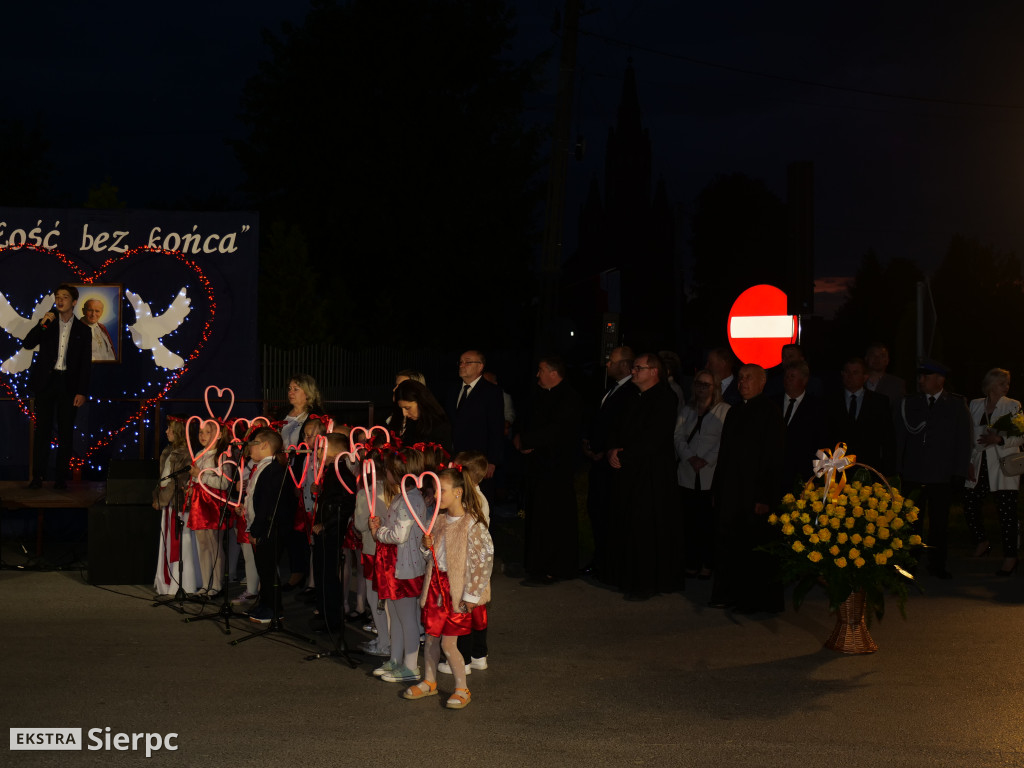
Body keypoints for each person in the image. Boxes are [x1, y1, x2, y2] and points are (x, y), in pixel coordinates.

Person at [402, 466, 493, 710]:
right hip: (435, 589)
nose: (436, 494)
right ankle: (430, 681)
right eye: (435, 490)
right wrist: (425, 546)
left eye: (442, 490)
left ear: (458, 492)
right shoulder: (439, 521)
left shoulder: (473, 524)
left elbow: (483, 561)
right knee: (431, 639)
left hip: (456, 592)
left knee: (448, 644)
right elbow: (432, 557)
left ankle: (462, 687)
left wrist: (471, 595)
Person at [607, 352, 683, 600]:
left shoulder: (664, 398)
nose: (633, 372)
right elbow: (621, 429)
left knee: (647, 526)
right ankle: (629, 577)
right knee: (630, 523)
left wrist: (625, 453)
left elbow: (654, 436)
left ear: (654, 372)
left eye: (638, 368)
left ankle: (648, 582)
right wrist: (613, 450)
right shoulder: (633, 397)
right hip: (632, 470)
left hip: (652, 474)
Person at [711, 364, 786, 613]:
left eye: (748, 378)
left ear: (762, 382)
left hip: (754, 495)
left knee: (754, 548)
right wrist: (718, 488)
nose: (742, 383)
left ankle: (755, 600)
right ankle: (728, 594)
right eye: (740, 378)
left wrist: (764, 496)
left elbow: (772, 458)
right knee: (729, 544)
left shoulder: (770, 412)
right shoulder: (733, 412)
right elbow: (724, 454)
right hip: (731, 493)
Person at [896, 359, 972, 579]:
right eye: (920, 377)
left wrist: (958, 472)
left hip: (942, 474)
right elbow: (901, 438)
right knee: (912, 523)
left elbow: (963, 441)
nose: (920, 381)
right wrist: (898, 469)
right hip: (913, 472)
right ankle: (910, 565)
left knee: (940, 524)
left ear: (940, 380)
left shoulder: (956, 404)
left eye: (926, 377)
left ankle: (937, 564)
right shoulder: (909, 403)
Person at [515, 356, 582, 584]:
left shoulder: (568, 398)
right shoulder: (542, 395)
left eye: (541, 370)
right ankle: (537, 563)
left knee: (555, 518)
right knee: (538, 517)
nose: (537, 375)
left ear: (554, 373)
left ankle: (556, 566)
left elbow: (557, 431)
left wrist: (526, 440)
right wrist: (522, 440)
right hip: (539, 468)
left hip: (556, 469)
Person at [24, 283, 92, 489]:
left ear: (73, 302)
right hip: (47, 382)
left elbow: (85, 364)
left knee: (65, 432)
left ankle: (62, 477)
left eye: (64, 297)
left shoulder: (83, 329)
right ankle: (38, 476)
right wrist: (42, 324)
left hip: (68, 385)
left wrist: (82, 391)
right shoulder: (48, 323)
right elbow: (28, 343)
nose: (59, 300)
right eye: (57, 296)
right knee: (42, 430)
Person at [368, 448, 428, 683]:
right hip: (398, 566)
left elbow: (399, 535)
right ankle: (396, 659)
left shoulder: (408, 499)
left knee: (407, 618)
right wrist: (383, 523)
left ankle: (411, 666)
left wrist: (378, 531)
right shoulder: (406, 497)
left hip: (404, 567)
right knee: (397, 615)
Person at [582, 345, 635, 581]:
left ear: (624, 365)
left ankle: (611, 565)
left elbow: (620, 428)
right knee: (597, 511)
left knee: (609, 515)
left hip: (611, 464)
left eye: (611, 361)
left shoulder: (631, 392)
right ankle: (601, 560)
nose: (607, 365)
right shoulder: (611, 389)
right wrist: (589, 444)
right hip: (598, 461)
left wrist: (604, 450)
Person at [963, 368, 1022, 576]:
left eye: (1007, 383)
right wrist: (969, 461)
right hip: (980, 464)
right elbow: (970, 437)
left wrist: (999, 439)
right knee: (970, 503)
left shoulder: (1013, 405)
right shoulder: (975, 404)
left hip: (1003, 464)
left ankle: (1010, 557)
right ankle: (982, 541)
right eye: (1001, 383)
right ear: (990, 385)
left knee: (1006, 512)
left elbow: (1020, 436)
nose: (1006, 387)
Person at [674, 369, 730, 579]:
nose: (701, 388)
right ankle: (691, 560)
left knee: (707, 522)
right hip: (688, 472)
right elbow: (678, 436)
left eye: (706, 384)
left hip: (709, 473)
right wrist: (690, 457)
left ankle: (708, 562)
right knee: (689, 520)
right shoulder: (687, 410)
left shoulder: (724, 411)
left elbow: (724, 440)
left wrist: (705, 459)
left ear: (714, 387)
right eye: (698, 383)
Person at [244, 428, 294, 624]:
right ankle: (265, 604)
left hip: (270, 527)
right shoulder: (263, 468)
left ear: (264, 445)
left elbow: (267, 504)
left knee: (268, 569)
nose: (250, 447)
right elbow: (256, 498)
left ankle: (273, 608)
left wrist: (257, 528)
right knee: (263, 568)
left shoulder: (273, 470)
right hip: (263, 525)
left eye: (254, 442)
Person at [278, 374, 323, 591]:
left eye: (296, 388)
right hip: (282, 473)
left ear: (308, 393)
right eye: (289, 388)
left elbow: (309, 451)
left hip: (302, 475)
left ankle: (305, 573)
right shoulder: (282, 415)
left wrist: (301, 479)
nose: (291, 392)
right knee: (287, 523)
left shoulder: (314, 417)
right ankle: (297, 569)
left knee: (301, 524)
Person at [309, 432, 357, 632]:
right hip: (323, 530)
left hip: (331, 531)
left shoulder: (341, 473)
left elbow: (344, 504)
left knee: (329, 574)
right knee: (321, 571)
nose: (317, 451)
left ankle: (334, 619)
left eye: (322, 448)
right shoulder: (330, 472)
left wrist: (326, 524)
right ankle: (324, 612)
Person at [185, 420, 233, 597]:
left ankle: (217, 585)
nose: (203, 436)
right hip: (199, 504)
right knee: (203, 544)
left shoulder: (221, 456)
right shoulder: (198, 454)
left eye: (207, 432)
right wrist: (192, 486)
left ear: (219, 435)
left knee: (214, 544)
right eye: (200, 432)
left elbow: (223, 483)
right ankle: (206, 583)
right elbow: (195, 478)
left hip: (213, 503)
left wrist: (200, 476)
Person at [827, 356, 895, 475]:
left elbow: (887, 439)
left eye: (855, 373)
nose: (850, 376)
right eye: (847, 372)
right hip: (837, 469)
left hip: (870, 468)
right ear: (842, 374)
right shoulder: (831, 401)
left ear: (865, 377)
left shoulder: (879, 402)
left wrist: (888, 472)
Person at [446, 349, 505, 487]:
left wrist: (492, 461)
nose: (462, 365)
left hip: (477, 459)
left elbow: (496, 427)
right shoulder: (453, 390)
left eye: (467, 362)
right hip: (454, 457)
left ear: (480, 366)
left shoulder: (491, 392)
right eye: (460, 362)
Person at [152, 416, 195, 596]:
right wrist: (157, 496)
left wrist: (164, 497)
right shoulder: (169, 450)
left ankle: (182, 583)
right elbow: (163, 478)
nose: (166, 431)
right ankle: (167, 580)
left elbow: (179, 481)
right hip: (168, 503)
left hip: (178, 504)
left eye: (170, 428)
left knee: (180, 542)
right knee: (168, 542)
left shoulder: (186, 453)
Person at [780, 360, 826, 488]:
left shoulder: (817, 407)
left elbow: (821, 442)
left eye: (792, 376)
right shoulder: (772, 403)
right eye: (786, 376)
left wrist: (818, 475)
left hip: (802, 475)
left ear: (804, 380)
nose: (788, 379)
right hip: (774, 474)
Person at [393, 379, 452, 451]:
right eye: (401, 409)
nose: (404, 413)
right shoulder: (412, 422)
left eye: (407, 408)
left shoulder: (440, 426)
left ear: (421, 402)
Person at [865, 342, 906, 408]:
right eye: (873, 355)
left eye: (882, 356)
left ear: (887, 360)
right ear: (866, 358)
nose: (877, 359)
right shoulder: (857, 380)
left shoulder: (896, 384)